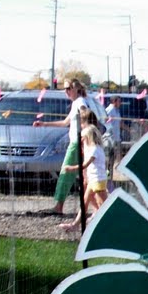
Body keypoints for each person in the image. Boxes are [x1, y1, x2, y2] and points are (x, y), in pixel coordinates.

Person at [47, 79, 95, 216]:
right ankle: (91, 208)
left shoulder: (80, 103)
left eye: (68, 88)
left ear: (75, 88)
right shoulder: (76, 103)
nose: (65, 91)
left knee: (66, 173)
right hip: (77, 142)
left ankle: (59, 206)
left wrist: (83, 135)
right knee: (85, 177)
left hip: (77, 143)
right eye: (65, 88)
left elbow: (86, 116)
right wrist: (44, 123)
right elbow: (65, 123)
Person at [63, 107, 108, 231]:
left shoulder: (95, 149)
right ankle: (76, 224)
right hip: (92, 179)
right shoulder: (90, 147)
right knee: (85, 201)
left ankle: (114, 224)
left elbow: (85, 165)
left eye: (83, 137)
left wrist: (70, 168)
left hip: (98, 180)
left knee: (105, 205)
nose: (81, 139)